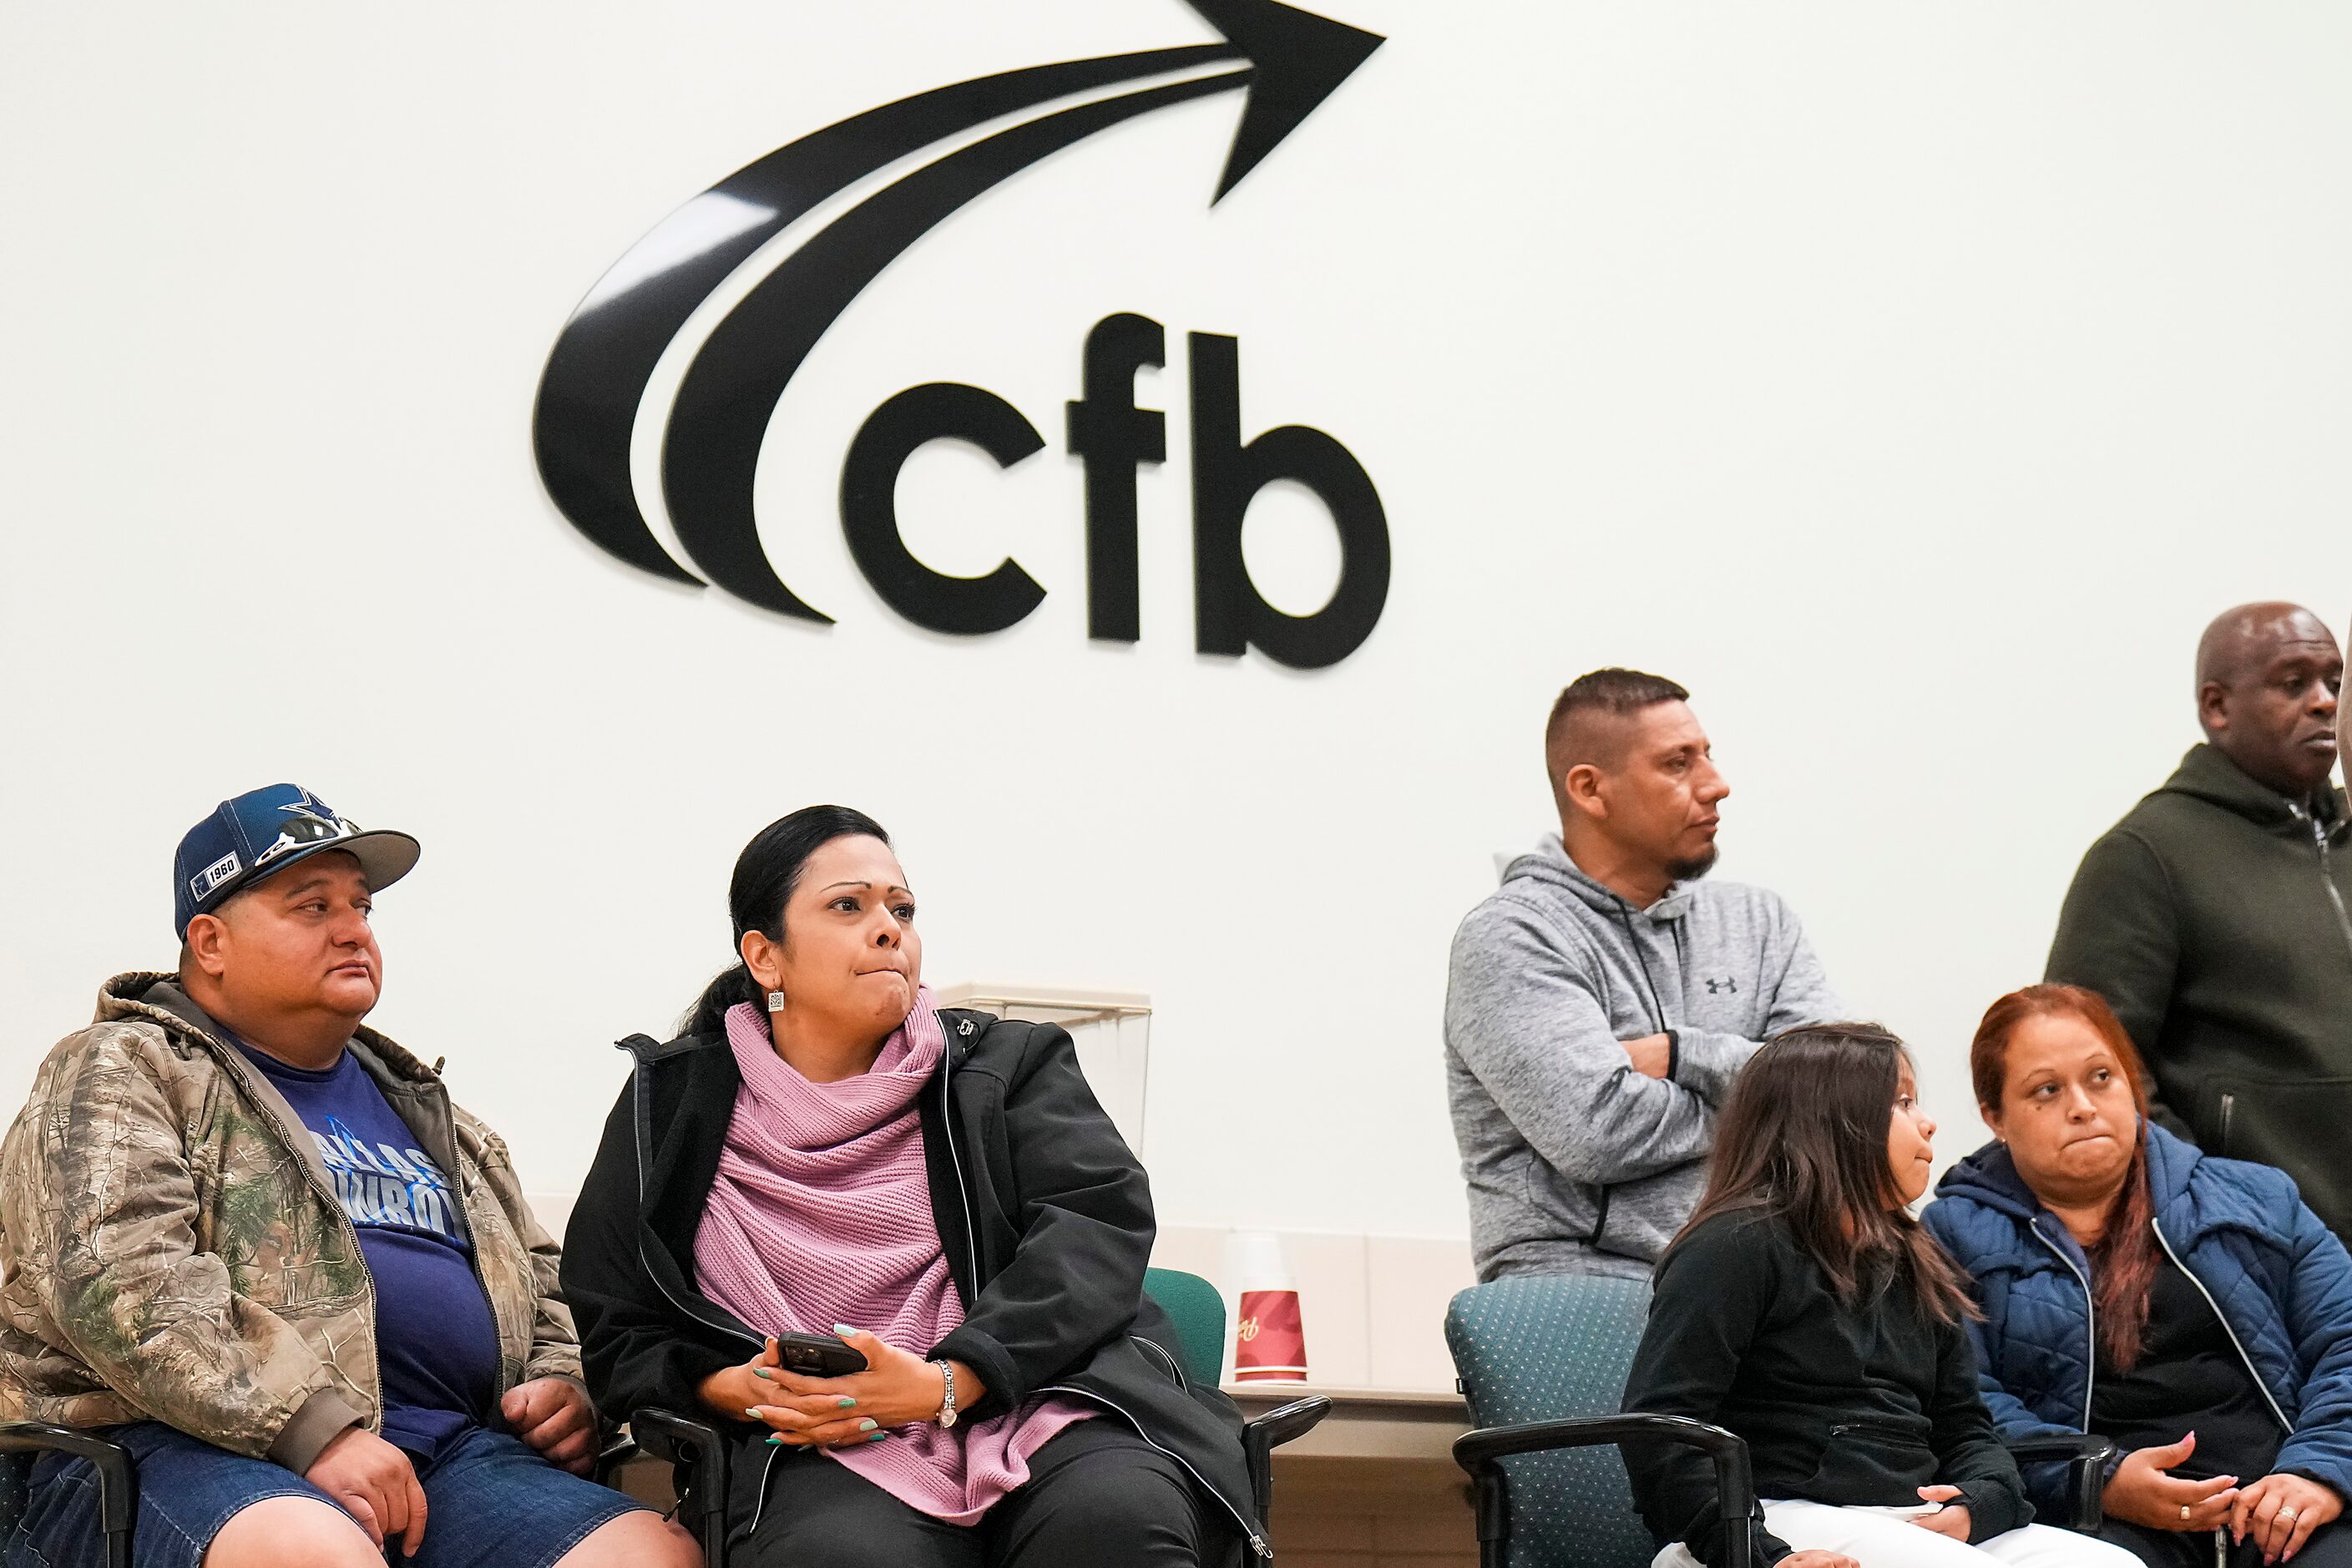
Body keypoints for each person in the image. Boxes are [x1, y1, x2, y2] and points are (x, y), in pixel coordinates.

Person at [0, 783, 698, 1568]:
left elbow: (543, 1286)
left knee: (651, 1556)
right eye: (312, 907)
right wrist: (312, 1430)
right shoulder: (123, 1068)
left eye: (362, 908)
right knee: (313, 1554)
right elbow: (117, 1280)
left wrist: (564, 1388)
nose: (352, 931)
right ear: (210, 942)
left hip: (445, 1457)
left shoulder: (440, 1119)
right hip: (170, 1449)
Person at [560, 806, 1258, 1568]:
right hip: (818, 1446)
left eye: (902, 909)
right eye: (847, 906)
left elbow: (1093, 1232)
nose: (889, 929)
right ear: (766, 957)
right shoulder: (670, 1110)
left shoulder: (1004, 1067)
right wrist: (734, 1386)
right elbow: (616, 1319)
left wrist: (949, 1382)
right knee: (844, 1557)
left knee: (1115, 1522)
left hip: (1047, 1404)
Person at [1622, 1021, 2138, 1568]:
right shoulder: (1734, 1245)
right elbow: (1666, 1430)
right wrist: (1758, 1555)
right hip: (1768, 1522)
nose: (1929, 1123)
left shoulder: (1917, 1259)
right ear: (1831, 1123)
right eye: (1902, 1103)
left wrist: (1978, 1503)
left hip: (1899, 1519)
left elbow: (1965, 1426)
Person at [1923, 984, 2352, 1568]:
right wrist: (2098, 1480)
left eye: (2100, 1077)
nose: (2081, 1105)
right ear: (1993, 1117)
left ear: (2130, 1084)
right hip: (2094, 1523)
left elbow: (2345, 1342)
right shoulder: (1951, 1235)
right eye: (2046, 1090)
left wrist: (2317, 1471)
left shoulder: (2255, 1196)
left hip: (2279, 1504)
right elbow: (1964, 1402)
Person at [1444, 667, 1844, 1281]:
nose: (1717, 785)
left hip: (1764, 1289)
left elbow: (1834, 1099)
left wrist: (1680, 1056)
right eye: (1677, 764)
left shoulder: (1760, 922)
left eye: (1707, 755)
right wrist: (1765, 1098)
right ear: (1589, 790)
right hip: (1589, 1288)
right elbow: (1596, 1132)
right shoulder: (1513, 935)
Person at [2045, 602, 2352, 1242]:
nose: (2324, 702)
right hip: (2264, 1254)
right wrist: (2214, 1202)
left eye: (2335, 681)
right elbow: (2094, 1065)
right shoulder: (2145, 855)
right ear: (2217, 707)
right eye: (2294, 683)